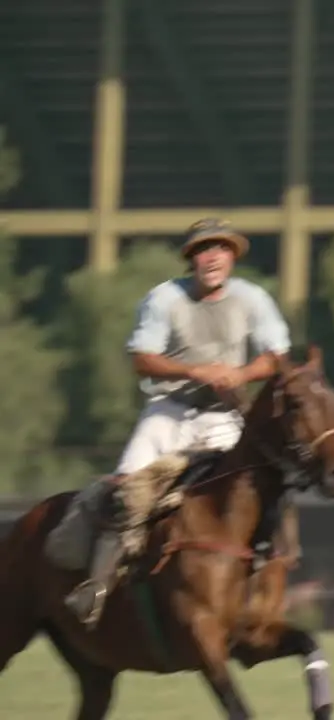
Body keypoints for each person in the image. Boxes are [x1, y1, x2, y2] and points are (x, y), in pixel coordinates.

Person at [64, 217, 292, 628]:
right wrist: (196, 371)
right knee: (126, 490)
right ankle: (95, 588)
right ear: (192, 259)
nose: (213, 257)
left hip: (225, 416)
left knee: (255, 490)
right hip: (169, 411)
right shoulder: (164, 298)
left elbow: (277, 355)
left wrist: (240, 375)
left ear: (232, 257)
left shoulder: (252, 298)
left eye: (221, 248)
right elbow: (142, 359)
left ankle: (258, 582)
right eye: (204, 250)